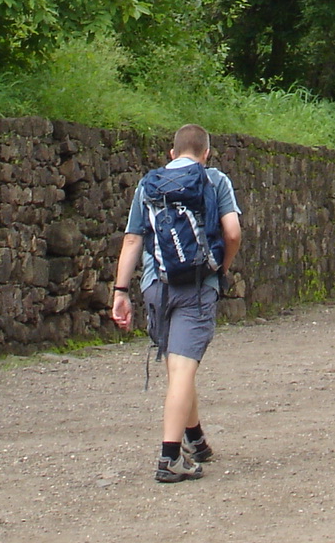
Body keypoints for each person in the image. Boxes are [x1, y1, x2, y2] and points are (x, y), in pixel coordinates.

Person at [109, 124, 243, 483]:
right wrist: (222, 268)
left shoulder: (148, 184)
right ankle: (170, 457)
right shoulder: (214, 180)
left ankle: (195, 438)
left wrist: (121, 291)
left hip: (157, 285)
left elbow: (133, 239)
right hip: (196, 286)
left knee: (178, 365)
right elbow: (232, 233)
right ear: (206, 153)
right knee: (183, 370)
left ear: (172, 153)